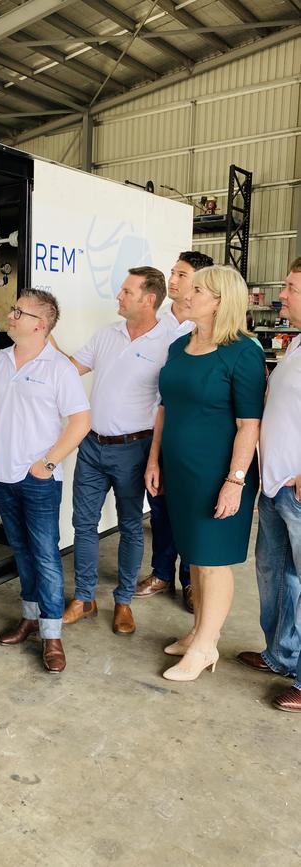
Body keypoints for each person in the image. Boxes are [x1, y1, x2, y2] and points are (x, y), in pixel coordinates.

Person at [146, 265, 266, 681]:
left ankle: (205, 646)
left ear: (220, 301)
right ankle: (198, 631)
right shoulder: (180, 347)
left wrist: (235, 481)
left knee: (213, 560)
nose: (186, 292)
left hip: (217, 473)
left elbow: (249, 424)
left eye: (198, 289)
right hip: (179, 469)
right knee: (194, 554)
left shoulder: (243, 351)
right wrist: (153, 459)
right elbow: (166, 408)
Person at [0, 289, 91, 673]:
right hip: (3, 474)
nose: (10, 315)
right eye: (13, 309)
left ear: (40, 324)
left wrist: (48, 462)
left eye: (19, 312)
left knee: (45, 554)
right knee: (21, 551)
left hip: (39, 479)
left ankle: (52, 635)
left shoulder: (58, 368)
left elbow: (80, 422)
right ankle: (29, 617)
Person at [56, 267, 169, 635]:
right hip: (92, 444)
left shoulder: (171, 341)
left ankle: (123, 602)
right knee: (83, 524)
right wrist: (45, 335)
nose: (118, 297)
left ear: (148, 299)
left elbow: (167, 406)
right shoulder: (107, 334)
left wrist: (154, 458)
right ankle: (84, 598)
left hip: (134, 449)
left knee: (132, 527)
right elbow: (69, 369)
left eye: (126, 291)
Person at [237, 258, 301, 712]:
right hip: (276, 485)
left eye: (292, 288)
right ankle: (280, 654)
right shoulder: (296, 345)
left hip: (298, 490)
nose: (282, 295)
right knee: (275, 575)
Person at [135, 251, 214, 613]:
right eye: (172, 273)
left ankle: (190, 581)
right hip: (154, 430)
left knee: (191, 511)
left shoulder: (206, 331)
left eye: (181, 275)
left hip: (188, 434)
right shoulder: (156, 324)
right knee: (161, 506)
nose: (174, 280)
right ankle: (162, 571)